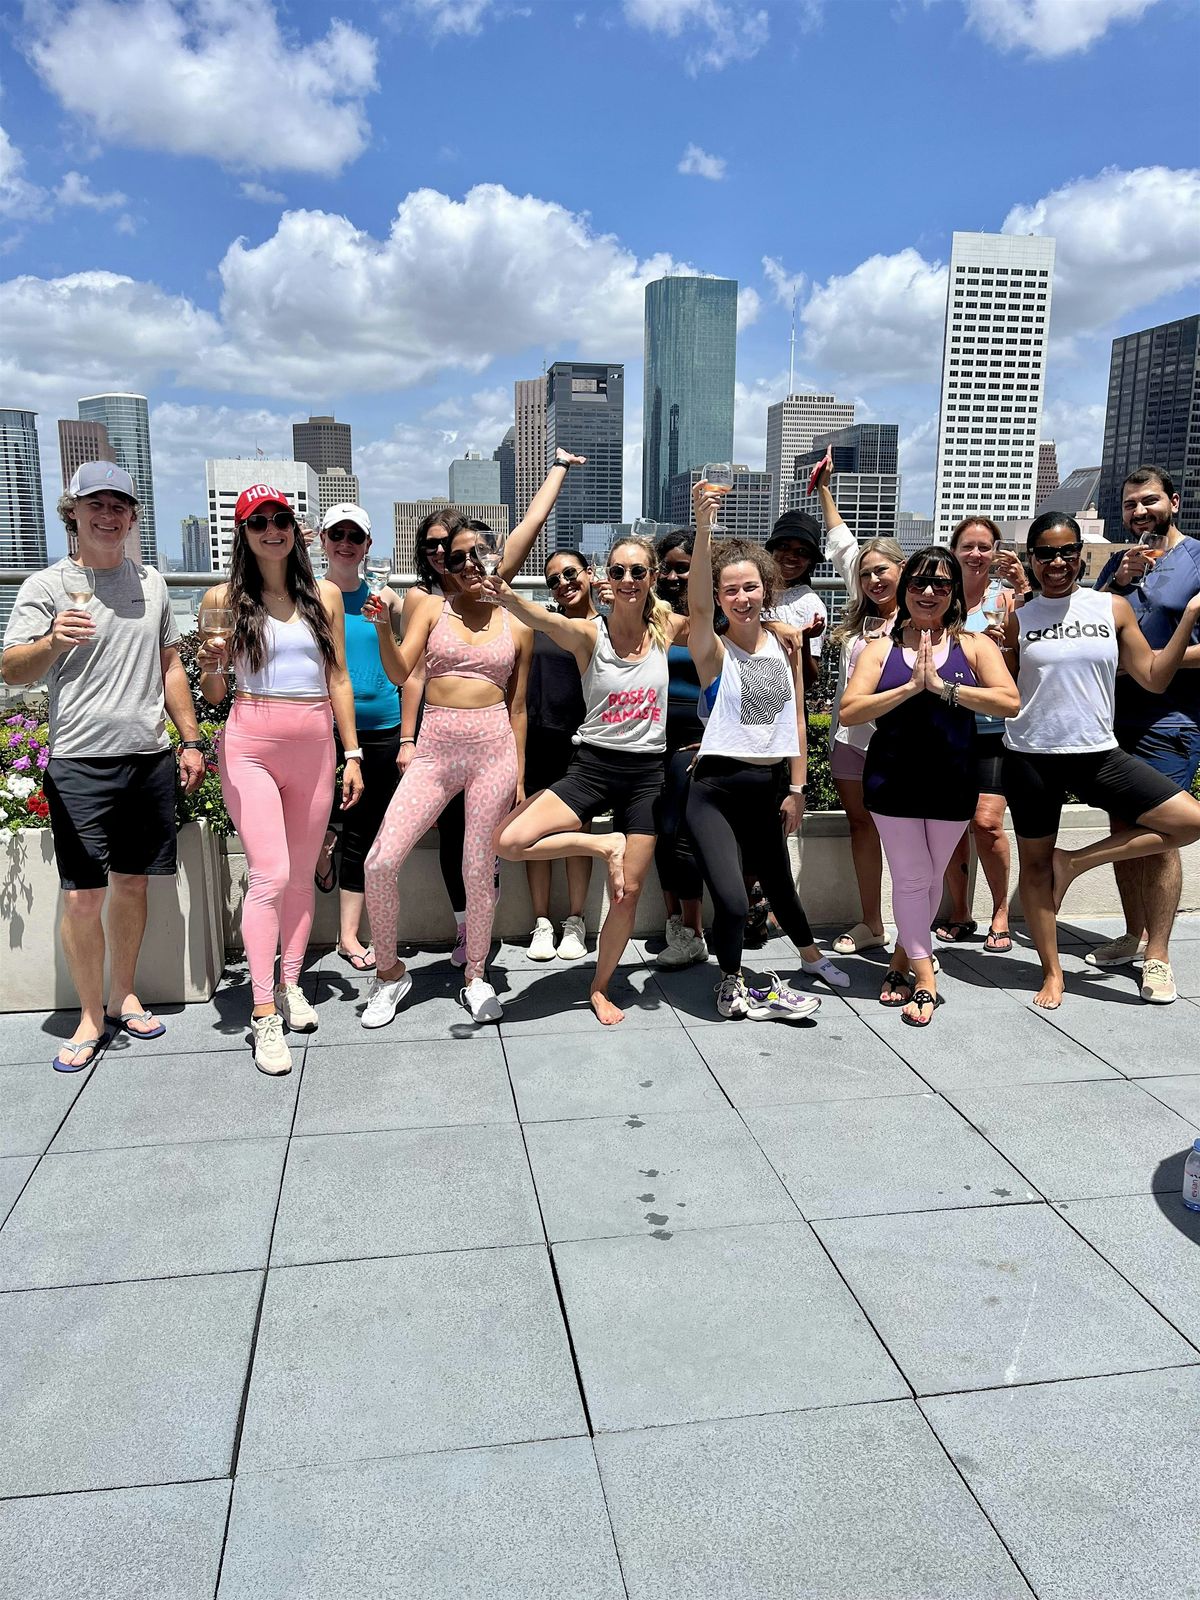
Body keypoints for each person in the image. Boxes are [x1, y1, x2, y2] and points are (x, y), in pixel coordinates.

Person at [2, 463, 205, 1071]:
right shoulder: (46, 586)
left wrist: (191, 739)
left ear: (131, 516)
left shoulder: (154, 583)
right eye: (96, 505)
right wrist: (52, 643)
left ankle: (124, 992)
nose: (108, 515)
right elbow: (12, 669)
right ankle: (91, 1016)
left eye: (119, 506)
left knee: (134, 885)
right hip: (79, 761)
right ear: (73, 513)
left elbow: (171, 665)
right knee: (83, 897)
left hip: (148, 757)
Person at [1000, 511, 1200, 1010]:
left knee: (1189, 822)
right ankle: (1052, 973)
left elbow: (1153, 677)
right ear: (1032, 559)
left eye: (1067, 552)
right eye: (1045, 553)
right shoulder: (1018, 616)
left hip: (1098, 753)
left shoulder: (1111, 608)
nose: (1058, 562)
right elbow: (1003, 690)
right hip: (1031, 756)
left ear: (1081, 556)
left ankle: (1077, 861)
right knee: (1036, 868)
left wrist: (1191, 618)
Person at [197, 484, 364, 1075]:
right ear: (242, 533)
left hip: (316, 741)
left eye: (282, 519)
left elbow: (339, 678)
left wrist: (353, 753)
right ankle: (263, 1013)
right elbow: (215, 693)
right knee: (269, 874)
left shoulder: (324, 595)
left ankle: (291, 983)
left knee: (299, 877)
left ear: (295, 528)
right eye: (258, 521)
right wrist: (212, 658)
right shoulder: (222, 598)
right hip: (250, 741)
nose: (272, 529)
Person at [397, 453, 584, 966]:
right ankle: (464, 926)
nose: (446, 555)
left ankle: (479, 936)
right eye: (434, 546)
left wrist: (559, 468)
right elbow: (410, 674)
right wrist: (407, 741)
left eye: (454, 547)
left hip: (489, 740)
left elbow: (529, 524)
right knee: (440, 836)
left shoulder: (490, 581)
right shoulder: (424, 601)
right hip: (436, 741)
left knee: (478, 843)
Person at [490, 533, 683, 1025]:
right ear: (605, 578)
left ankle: (599, 988)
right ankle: (605, 846)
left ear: (653, 578)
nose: (627, 581)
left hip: (646, 775)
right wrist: (510, 597)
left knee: (628, 894)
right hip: (592, 766)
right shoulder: (590, 635)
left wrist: (703, 530)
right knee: (508, 841)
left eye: (638, 571)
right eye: (617, 571)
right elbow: (547, 618)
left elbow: (711, 611)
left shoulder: (666, 627)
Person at [685, 483, 848, 1021]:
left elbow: (797, 720)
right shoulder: (713, 648)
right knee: (732, 900)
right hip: (714, 789)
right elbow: (699, 604)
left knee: (779, 878)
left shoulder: (786, 643)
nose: (741, 597)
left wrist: (798, 788)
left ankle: (809, 956)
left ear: (767, 588)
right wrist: (703, 526)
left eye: (750, 587)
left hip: (770, 785)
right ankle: (730, 984)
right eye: (730, 589)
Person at [362, 518, 533, 1025]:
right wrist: (379, 629)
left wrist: (520, 775)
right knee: (380, 861)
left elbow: (518, 708)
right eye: (454, 557)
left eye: (475, 553)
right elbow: (399, 672)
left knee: (478, 869)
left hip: (494, 751)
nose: (465, 564)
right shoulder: (432, 609)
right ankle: (390, 974)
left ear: (496, 553)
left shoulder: (516, 622)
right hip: (435, 750)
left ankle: (476, 975)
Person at [840, 546, 1019, 1025]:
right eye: (919, 582)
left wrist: (944, 688)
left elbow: (1009, 702)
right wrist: (908, 688)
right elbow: (849, 711)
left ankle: (900, 961)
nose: (928, 591)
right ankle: (926, 977)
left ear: (953, 592)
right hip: (892, 781)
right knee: (913, 878)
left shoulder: (974, 645)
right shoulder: (880, 648)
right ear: (905, 588)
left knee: (929, 879)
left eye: (941, 583)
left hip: (952, 783)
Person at [1089, 467, 1200, 1001]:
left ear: (1173, 503)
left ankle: (1158, 955)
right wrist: (1117, 583)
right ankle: (1133, 935)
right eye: (1131, 504)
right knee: (1121, 826)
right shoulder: (1118, 564)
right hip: (1113, 721)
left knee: (1161, 834)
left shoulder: (1197, 559)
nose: (1139, 512)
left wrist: (1152, 663)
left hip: (1171, 721)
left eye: (1149, 501)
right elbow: (1086, 624)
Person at [810, 458, 905, 957]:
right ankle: (872, 921)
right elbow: (844, 544)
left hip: (903, 746)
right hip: (850, 740)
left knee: (904, 831)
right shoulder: (860, 612)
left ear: (903, 570)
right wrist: (824, 490)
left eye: (882, 571)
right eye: (866, 574)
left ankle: (914, 924)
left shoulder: (921, 612)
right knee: (861, 825)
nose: (872, 580)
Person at [311, 503, 403, 971]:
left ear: (368, 546)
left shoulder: (386, 601)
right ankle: (324, 850)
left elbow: (407, 664)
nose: (346, 542)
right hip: (325, 729)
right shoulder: (306, 598)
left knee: (365, 832)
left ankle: (348, 936)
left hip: (383, 727)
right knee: (319, 821)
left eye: (355, 536)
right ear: (322, 541)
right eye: (337, 534)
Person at [935, 516, 1021, 951]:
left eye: (984, 547)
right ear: (954, 551)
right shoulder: (938, 599)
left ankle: (1000, 911)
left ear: (996, 552)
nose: (976, 555)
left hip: (992, 728)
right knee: (951, 824)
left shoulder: (1006, 600)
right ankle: (960, 911)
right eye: (967, 546)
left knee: (986, 823)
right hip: (949, 726)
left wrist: (1006, 641)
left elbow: (1024, 666)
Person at [525, 547, 597, 961]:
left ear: (589, 574)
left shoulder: (608, 625)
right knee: (535, 830)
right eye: (553, 579)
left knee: (577, 831)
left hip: (584, 740)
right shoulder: (542, 624)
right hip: (539, 737)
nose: (563, 583)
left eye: (570, 573)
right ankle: (541, 922)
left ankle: (575, 920)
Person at [651, 529, 708, 970]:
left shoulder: (721, 614)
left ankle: (694, 929)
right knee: (659, 834)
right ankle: (676, 923)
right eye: (666, 568)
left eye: (682, 568)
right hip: (651, 738)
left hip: (699, 740)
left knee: (680, 832)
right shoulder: (653, 617)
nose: (672, 576)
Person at [764, 510, 828, 694]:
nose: (791, 556)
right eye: (784, 546)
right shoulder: (749, 589)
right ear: (772, 550)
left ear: (810, 561)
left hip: (787, 704)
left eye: (802, 552)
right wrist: (772, 626)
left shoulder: (809, 603)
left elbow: (808, 680)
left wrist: (805, 639)